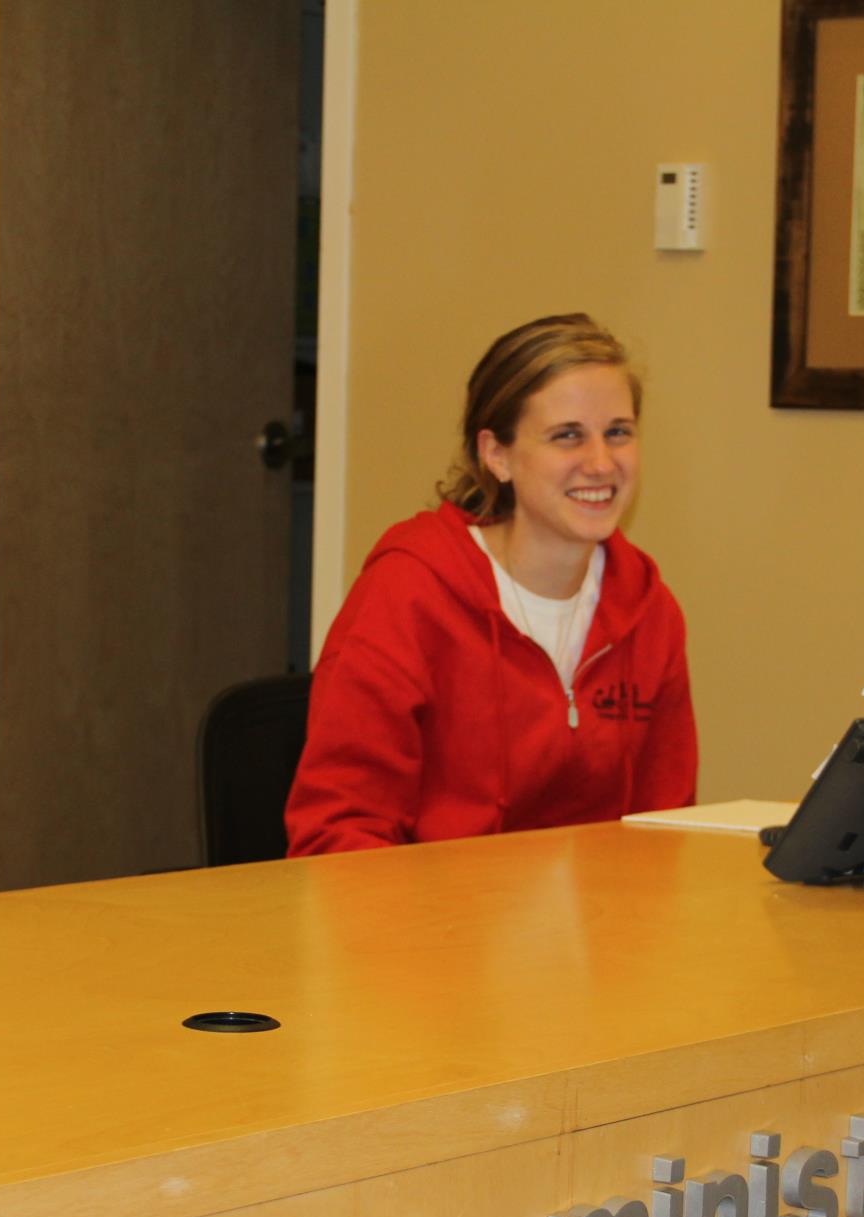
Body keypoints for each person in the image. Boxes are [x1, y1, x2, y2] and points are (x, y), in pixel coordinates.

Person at [286, 313, 697, 854]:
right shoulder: (409, 593)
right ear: (496, 455)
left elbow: (662, 831)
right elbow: (337, 832)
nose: (601, 463)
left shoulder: (648, 611)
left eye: (617, 432)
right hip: (430, 926)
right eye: (567, 435)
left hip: (600, 929)